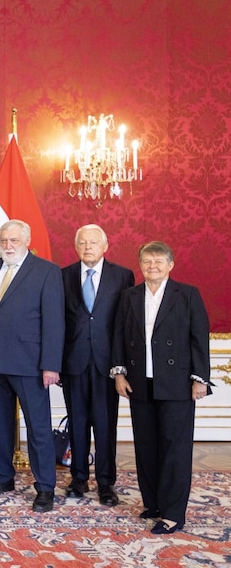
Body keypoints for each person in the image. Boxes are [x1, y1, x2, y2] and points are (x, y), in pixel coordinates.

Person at [112, 241, 211, 535]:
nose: (152, 266)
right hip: (140, 382)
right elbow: (118, 335)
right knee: (146, 446)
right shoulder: (129, 296)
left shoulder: (187, 294)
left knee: (174, 449)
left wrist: (200, 378)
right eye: (147, 262)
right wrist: (119, 373)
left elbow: (199, 339)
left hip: (177, 383)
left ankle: (172, 513)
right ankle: (153, 503)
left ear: (170, 264)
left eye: (158, 261)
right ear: (140, 265)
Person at [0, 219, 64, 513]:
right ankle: (3, 477)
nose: (8, 246)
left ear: (26, 241)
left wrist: (51, 365)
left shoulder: (46, 271)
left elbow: (54, 321)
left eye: (13, 240)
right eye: (3, 240)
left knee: (38, 428)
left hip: (30, 363)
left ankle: (45, 487)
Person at [61, 224, 134, 505]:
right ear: (76, 247)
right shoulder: (63, 275)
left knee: (105, 425)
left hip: (108, 364)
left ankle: (106, 483)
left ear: (105, 246)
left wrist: (122, 366)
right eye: (83, 243)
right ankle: (78, 478)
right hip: (73, 362)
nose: (88, 247)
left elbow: (127, 323)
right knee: (77, 424)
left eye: (93, 242)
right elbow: (58, 321)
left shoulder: (122, 276)